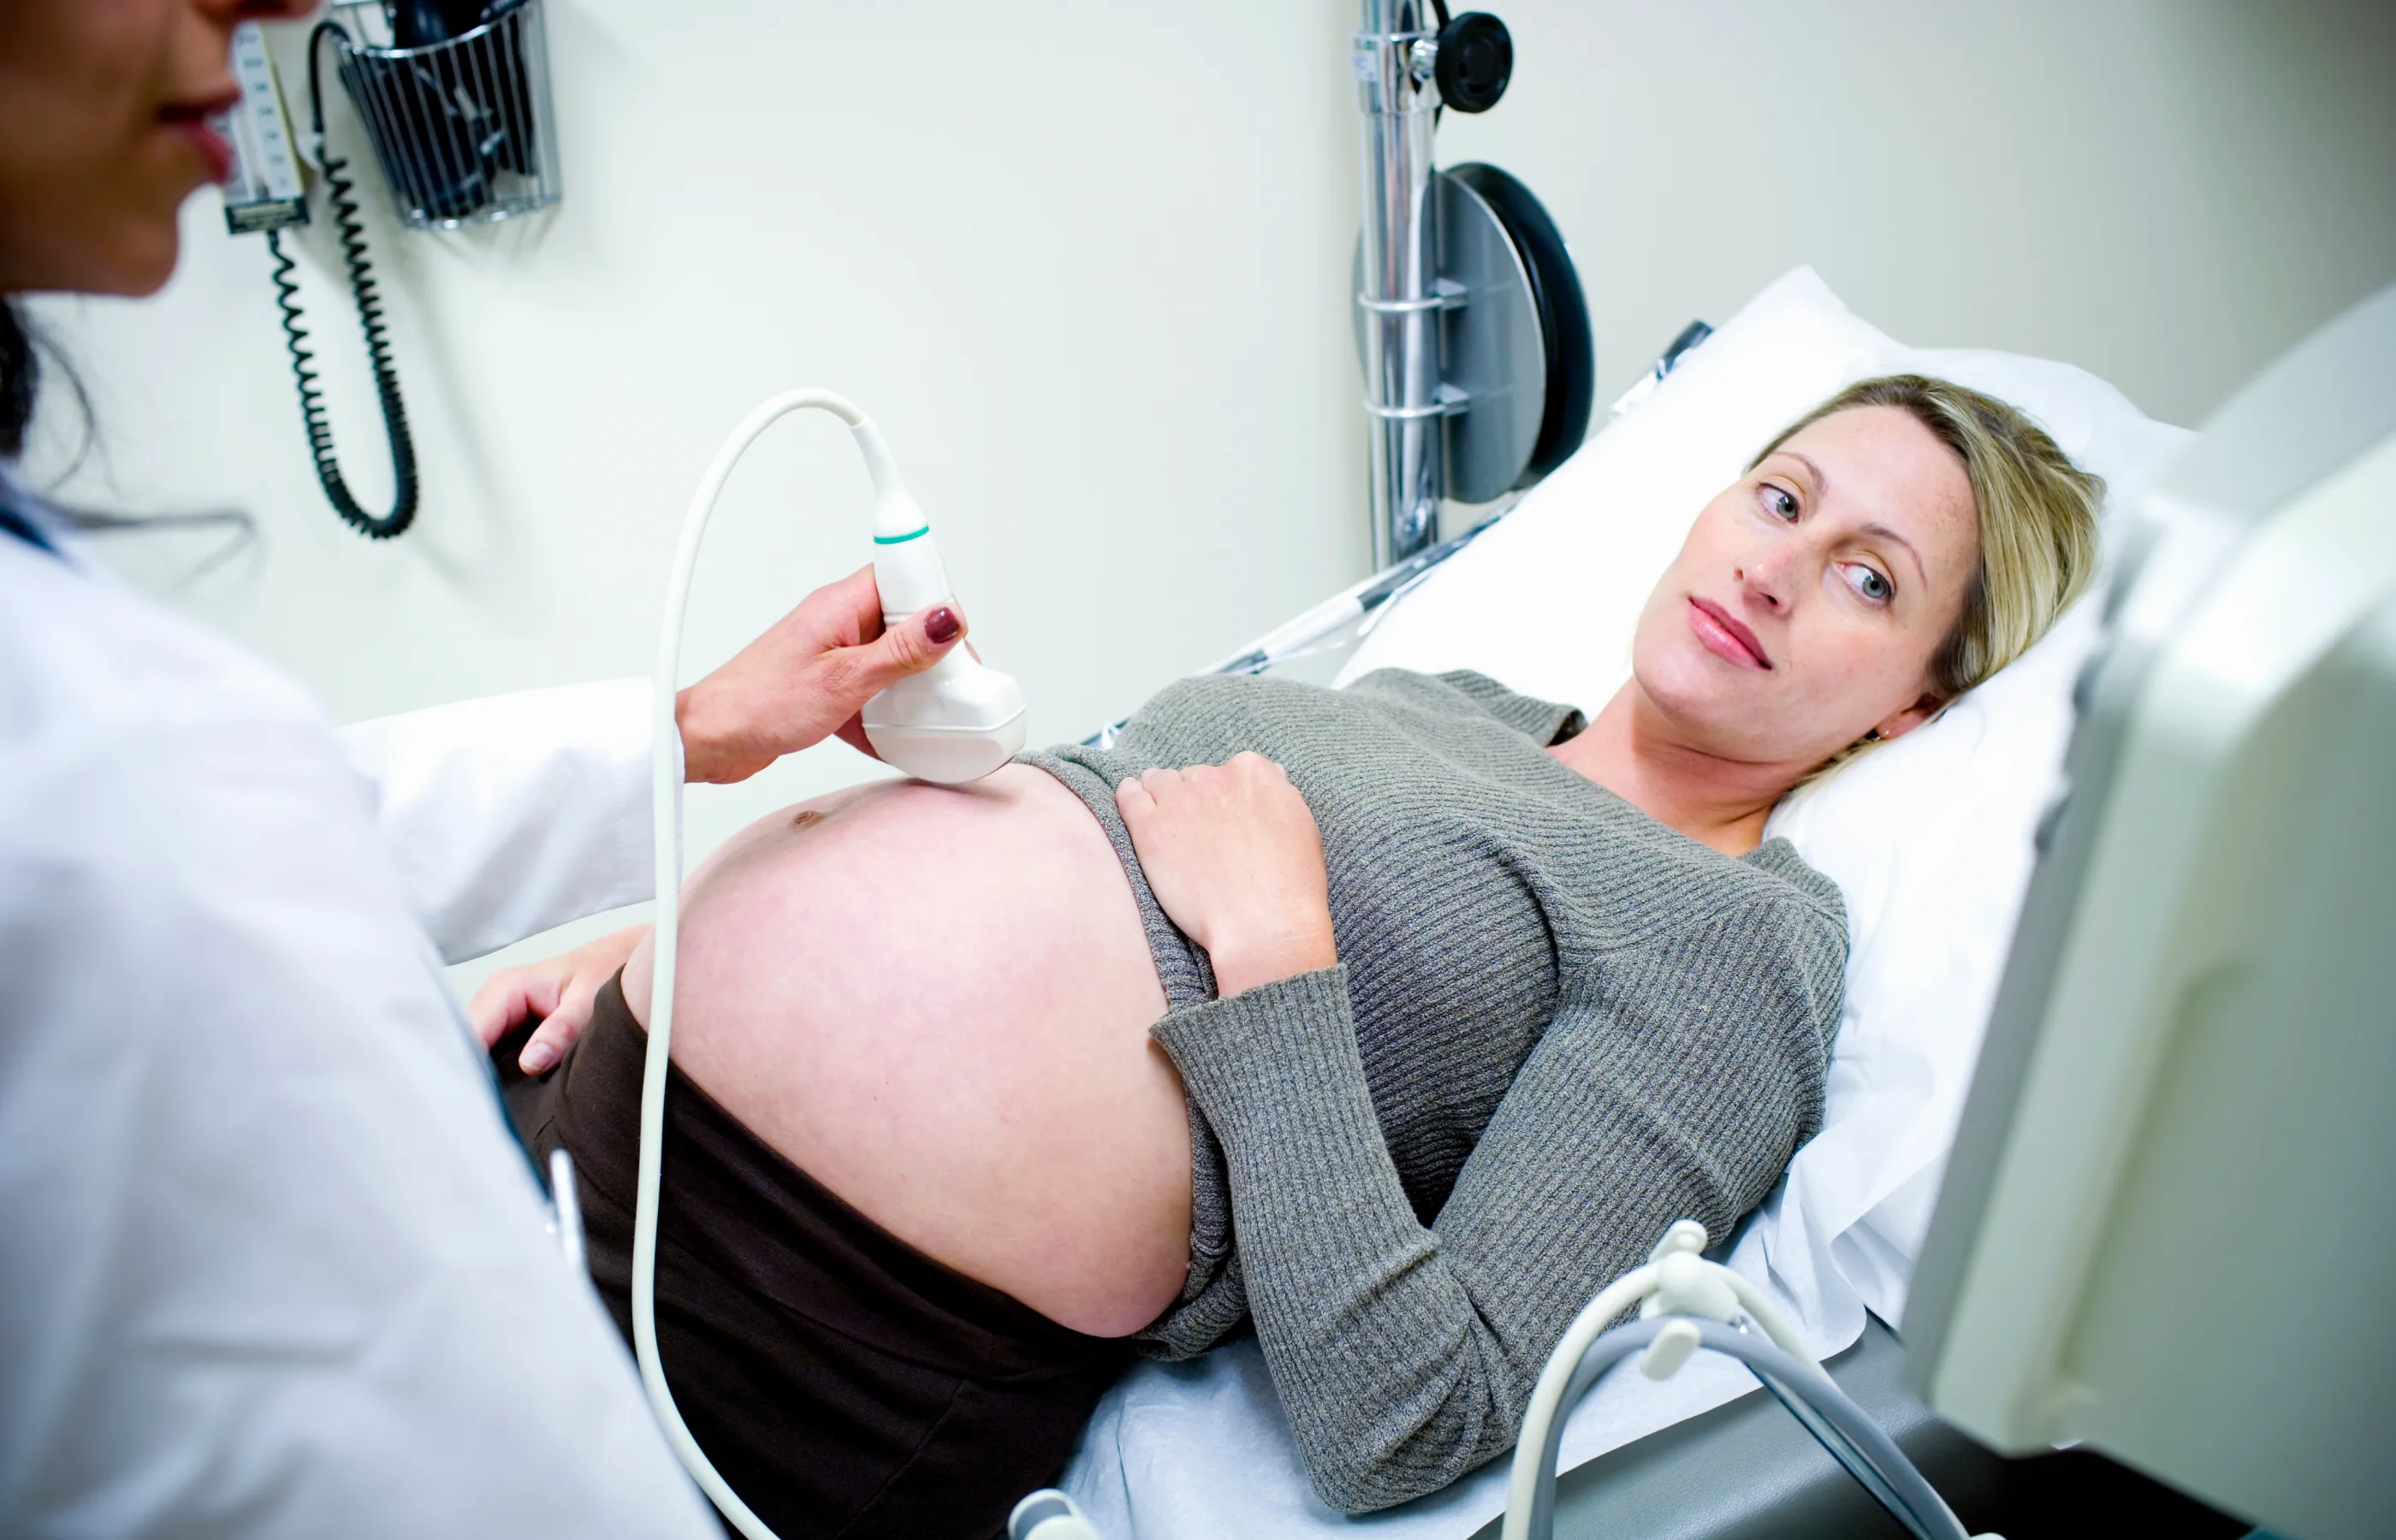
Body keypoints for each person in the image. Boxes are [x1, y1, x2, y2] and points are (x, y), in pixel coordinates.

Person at [477, 374, 2105, 1532]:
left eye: (1867, 580)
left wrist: (1278, 956)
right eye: (1782, 498)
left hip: (808, 1322)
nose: (1775, 567)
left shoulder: (1735, 947)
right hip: (599, 1082)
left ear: (1913, 709)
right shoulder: (1442, 702)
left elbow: (1420, 1411)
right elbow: (1076, 837)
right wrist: (675, 942)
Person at [0, 3, 979, 1533]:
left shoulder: (79, 700)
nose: (269, 13)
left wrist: (692, 735)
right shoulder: (86, 755)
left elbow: (272, 832)